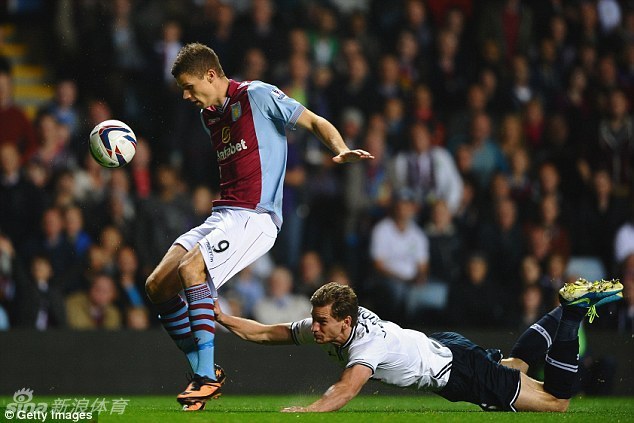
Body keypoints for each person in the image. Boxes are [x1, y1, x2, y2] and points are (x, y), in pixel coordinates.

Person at [143, 42, 373, 411]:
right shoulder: (210, 116)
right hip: (224, 215)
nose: (186, 96)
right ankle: (205, 372)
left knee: (192, 269)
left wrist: (340, 148)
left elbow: (313, 120)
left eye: (189, 86)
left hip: (256, 217)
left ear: (211, 75)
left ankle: (203, 379)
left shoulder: (259, 95)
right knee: (157, 285)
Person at [214, 279, 622, 413]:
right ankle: (563, 309)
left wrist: (309, 410)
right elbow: (268, 332)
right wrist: (221, 315)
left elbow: (347, 388)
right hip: (442, 345)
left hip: (455, 371)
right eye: (315, 319)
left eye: (321, 322)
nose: (313, 328)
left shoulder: (365, 346)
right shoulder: (335, 322)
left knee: (557, 404)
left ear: (346, 322)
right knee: (516, 365)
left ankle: (567, 315)